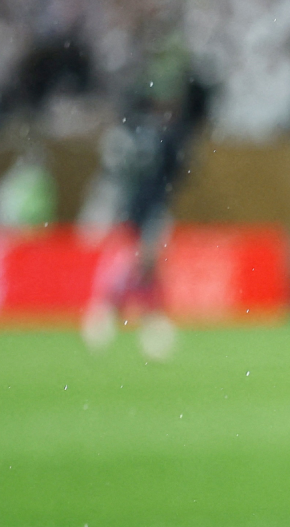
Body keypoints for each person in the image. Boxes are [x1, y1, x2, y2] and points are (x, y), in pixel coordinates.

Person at [81, 41, 210, 360]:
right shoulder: (151, 134)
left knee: (144, 263)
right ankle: (128, 315)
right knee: (143, 261)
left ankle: (125, 316)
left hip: (147, 203)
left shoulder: (154, 134)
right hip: (142, 204)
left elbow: (174, 172)